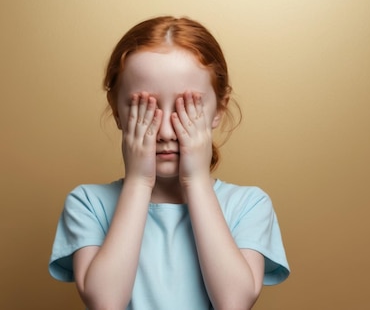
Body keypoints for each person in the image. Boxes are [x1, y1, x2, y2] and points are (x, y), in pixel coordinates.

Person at [49, 16, 289, 310]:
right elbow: (106, 303)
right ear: (117, 112)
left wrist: (196, 181)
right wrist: (138, 181)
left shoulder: (248, 205)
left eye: (184, 109)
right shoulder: (88, 203)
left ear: (219, 110)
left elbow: (234, 302)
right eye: (144, 108)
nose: (163, 132)